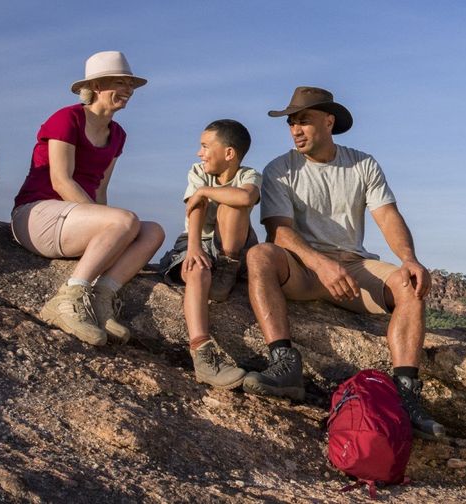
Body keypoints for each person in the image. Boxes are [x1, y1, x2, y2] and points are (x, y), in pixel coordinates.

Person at [242, 86, 446, 437]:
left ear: (329, 121)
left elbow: (387, 216)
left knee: (407, 283)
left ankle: (406, 397)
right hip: (302, 269)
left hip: (354, 269)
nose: (295, 130)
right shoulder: (279, 169)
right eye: (291, 123)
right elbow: (279, 231)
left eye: (303, 121)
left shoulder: (362, 164)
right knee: (259, 255)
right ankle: (284, 365)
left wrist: (409, 258)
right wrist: (319, 263)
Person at [10, 51, 165, 346]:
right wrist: (111, 224)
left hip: (75, 219)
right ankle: (67, 300)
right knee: (125, 220)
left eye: (130, 84)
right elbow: (61, 180)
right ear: (96, 86)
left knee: (153, 230)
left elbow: (100, 190)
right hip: (38, 215)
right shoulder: (66, 118)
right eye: (120, 82)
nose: (128, 90)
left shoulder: (117, 134)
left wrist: (113, 233)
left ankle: (99, 298)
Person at [155, 119, 259, 389]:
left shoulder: (249, 175)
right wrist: (193, 247)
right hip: (195, 239)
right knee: (197, 269)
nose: (199, 153)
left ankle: (228, 266)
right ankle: (202, 353)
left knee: (232, 203)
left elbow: (246, 198)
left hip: (233, 245)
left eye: (205, 146)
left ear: (229, 153)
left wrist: (205, 192)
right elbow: (196, 209)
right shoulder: (198, 171)